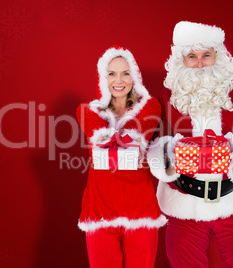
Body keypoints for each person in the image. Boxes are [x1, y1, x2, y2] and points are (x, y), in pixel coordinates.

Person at [147, 21, 233, 267]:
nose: (199, 63)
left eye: (206, 56)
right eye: (192, 56)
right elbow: (157, 139)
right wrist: (169, 153)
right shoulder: (168, 96)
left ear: (218, 57)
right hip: (184, 201)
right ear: (182, 60)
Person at [76, 46, 166, 268]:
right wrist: (116, 140)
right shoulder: (87, 111)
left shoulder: (151, 106)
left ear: (134, 76)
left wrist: (118, 141)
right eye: (112, 73)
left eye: (125, 73)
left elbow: (141, 130)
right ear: (102, 78)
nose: (119, 80)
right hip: (99, 211)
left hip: (140, 209)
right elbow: (99, 133)